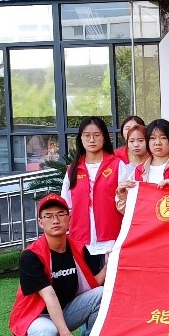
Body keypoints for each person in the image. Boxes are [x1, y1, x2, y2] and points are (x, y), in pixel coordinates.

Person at [9, 194, 121, 336]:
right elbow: (49, 295)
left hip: (65, 311)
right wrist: (66, 334)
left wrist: (110, 264)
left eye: (61, 214)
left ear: (69, 219)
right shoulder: (31, 256)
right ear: (40, 223)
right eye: (49, 216)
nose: (55, 220)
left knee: (102, 293)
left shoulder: (78, 248)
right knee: (46, 332)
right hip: (36, 317)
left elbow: (95, 283)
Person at [60, 116, 122, 272]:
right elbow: (65, 206)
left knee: (109, 284)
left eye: (97, 135)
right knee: (85, 284)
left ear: (104, 137)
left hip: (111, 240)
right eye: (87, 135)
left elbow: (126, 203)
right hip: (80, 241)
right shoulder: (72, 170)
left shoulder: (117, 165)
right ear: (80, 138)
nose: (92, 139)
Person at [135, 118, 169, 186]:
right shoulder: (139, 170)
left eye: (163, 138)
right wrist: (122, 191)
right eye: (152, 138)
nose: (157, 143)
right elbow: (131, 192)